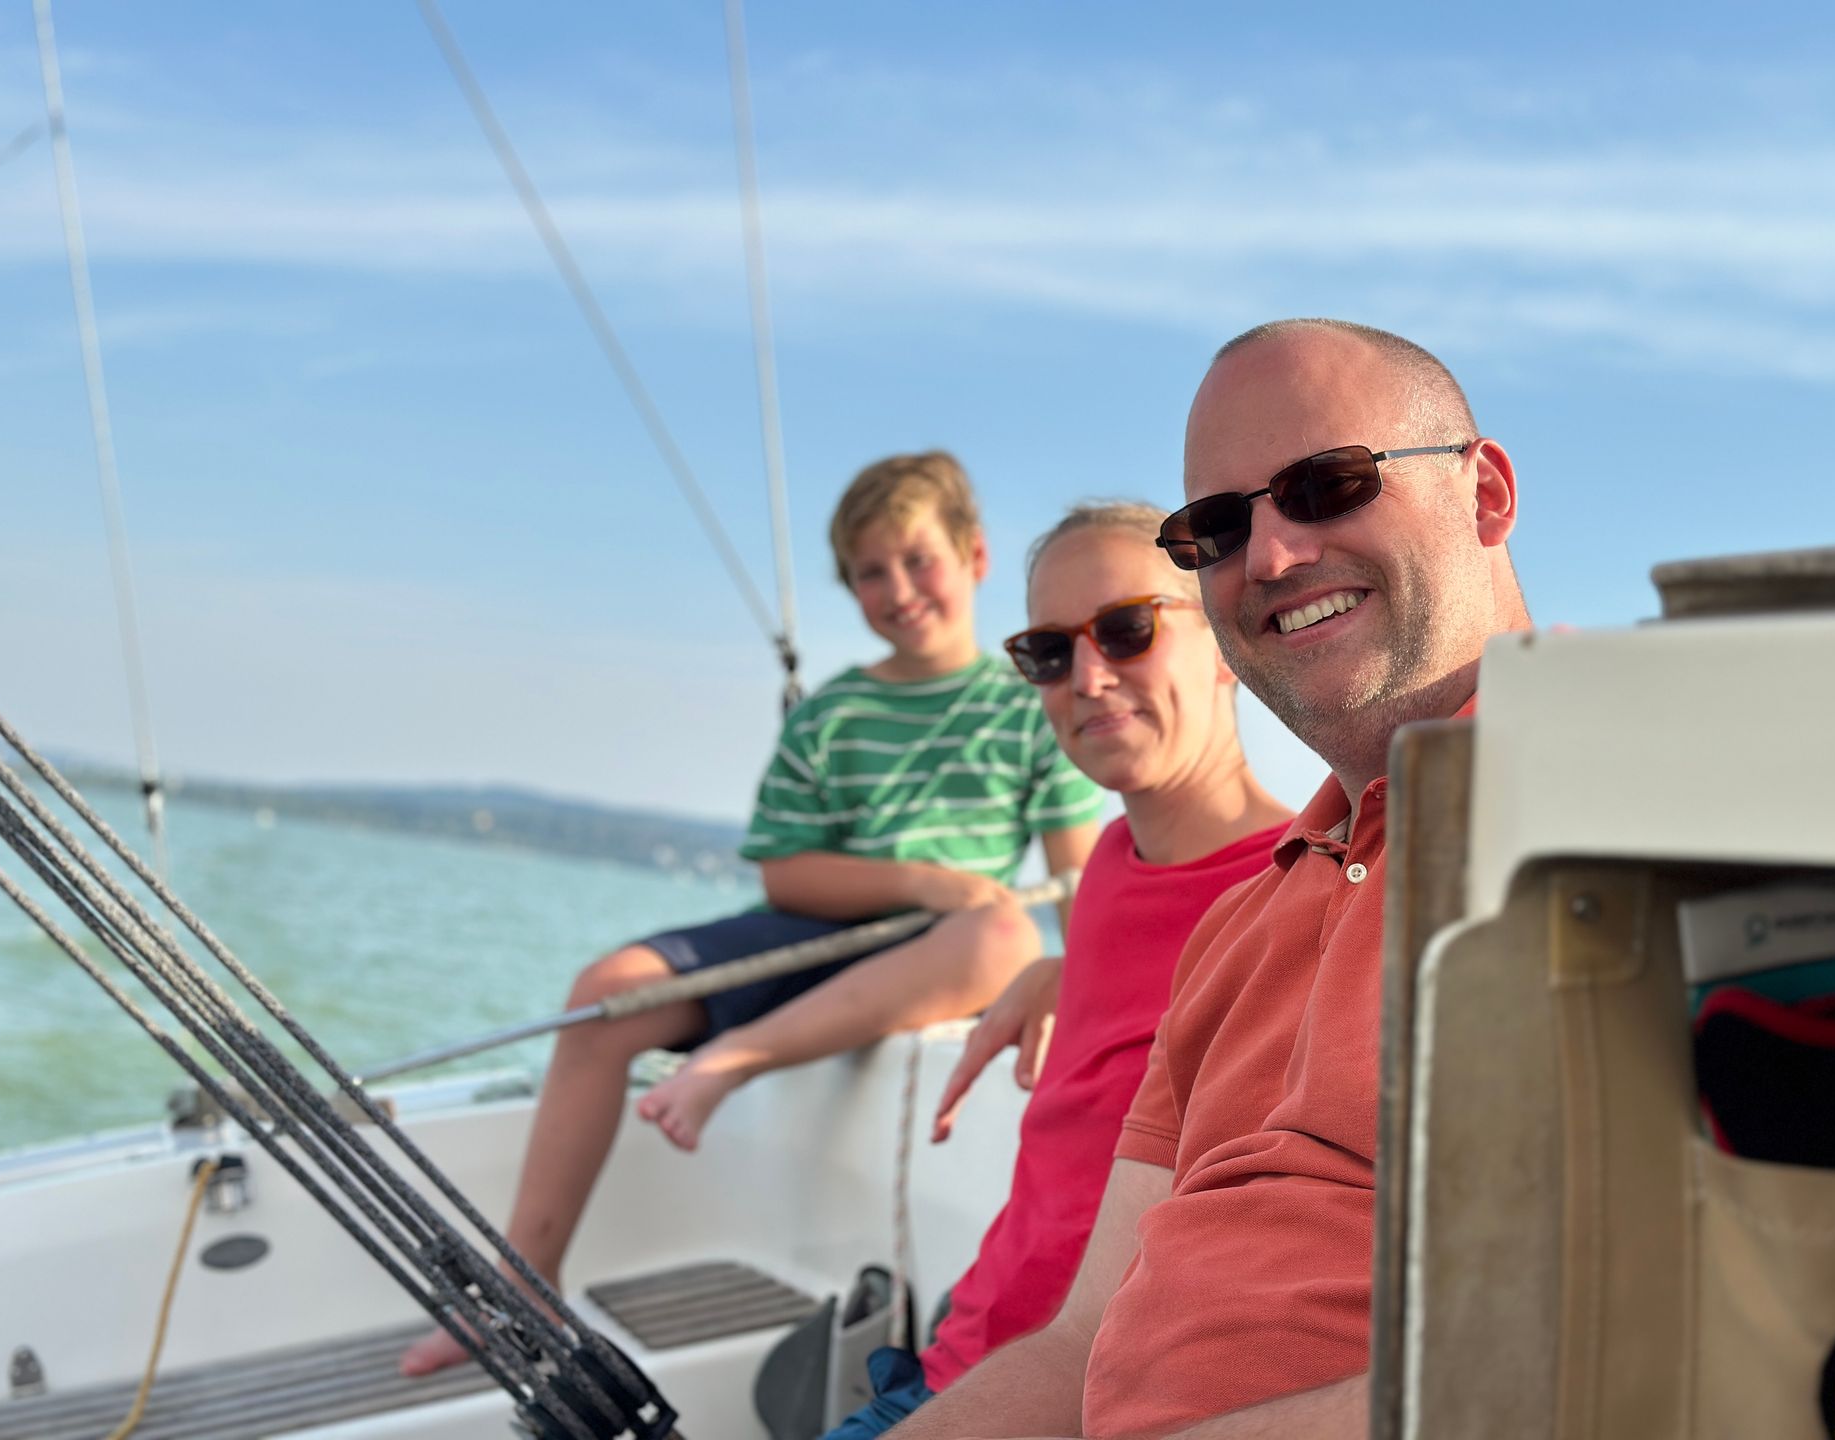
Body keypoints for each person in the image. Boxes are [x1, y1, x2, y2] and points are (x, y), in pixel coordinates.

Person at [888, 318, 1529, 1438]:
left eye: (1328, 485)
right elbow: (1083, 1345)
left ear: (1483, 496)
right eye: (1220, 527)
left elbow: (1622, 1355)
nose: (1273, 556)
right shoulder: (1241, 925)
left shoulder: (1619, 829)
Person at [401, 450, 1103, 1377]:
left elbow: (1079, 884)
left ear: (973, 558)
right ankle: (524, 1279)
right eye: (869, 573)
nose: (898, 589)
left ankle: (730, 1062)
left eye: (918, 560)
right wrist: (923, 879)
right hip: (827, 932)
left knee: (1006, 931)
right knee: (603, 993)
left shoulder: (1031, 701)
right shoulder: (833, 713)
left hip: (947, 955)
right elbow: (787, 875)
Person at [817, 500, 1295, 1439]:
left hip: (1078, 1397)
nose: (1088, 677)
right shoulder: (1111, 865)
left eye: (1127, 630)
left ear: (1222, 636)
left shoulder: (1295, 890)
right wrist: (1055, 975)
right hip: (964, 1349)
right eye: (1047, 651)